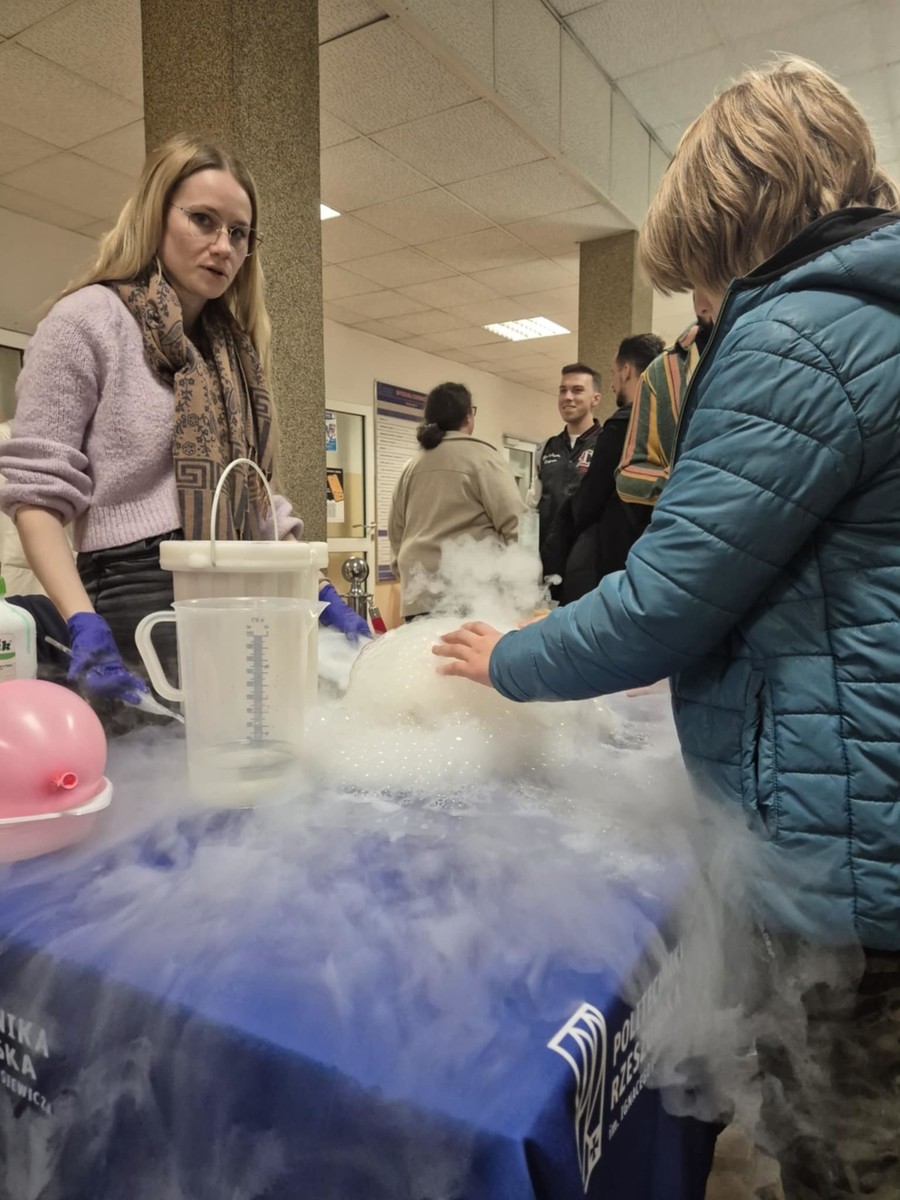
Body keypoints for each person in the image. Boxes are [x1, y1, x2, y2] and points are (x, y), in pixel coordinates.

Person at [433, 57, 900, 1198]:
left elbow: (666, 599)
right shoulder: (871, 314)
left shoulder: (801, 330)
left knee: (843, 1153)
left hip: (843, 840)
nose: (704, 313)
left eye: (702, 285)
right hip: (866, 808)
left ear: (742, 220)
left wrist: (508, 658)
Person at [0, 134, 367, 710]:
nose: (223, 246)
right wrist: (82, 623)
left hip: (239, 588)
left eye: (239, 233)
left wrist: (318, 591)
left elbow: (254, 494)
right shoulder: (87, 321)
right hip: (134, 596)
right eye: (203, 220)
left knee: (255, 755)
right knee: (159, 760)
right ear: (156, 215)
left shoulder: (232, 352)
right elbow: (37, 497)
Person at [541, 334, 664, 603]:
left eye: (612, 373)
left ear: (626, 370)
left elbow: (589, 502)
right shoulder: (667, 423)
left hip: (612, 562)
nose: (612, 383)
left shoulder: (620, 427)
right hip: (650, 558)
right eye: (563, 390)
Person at [388, 382, 525, 619]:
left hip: (418, 594)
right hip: (472, 595)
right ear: (468, 417)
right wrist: (521, 585)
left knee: (422, 645)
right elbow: (516, 524)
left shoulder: (412, 466)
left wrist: (407, 573)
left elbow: (396, 531)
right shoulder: (484, 459)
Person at [615, 320, 710, 509]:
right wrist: (687, 482)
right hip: (685, 513)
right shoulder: (663, 370)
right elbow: (627, 475)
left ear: (625, 371)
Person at [529, 364, 602, 595]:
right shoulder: (545, 449)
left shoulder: (607, 445)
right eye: (563, 390)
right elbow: (533, 506)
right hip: (547, 567)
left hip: (590, 567)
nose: (568, 397)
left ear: (595, 398)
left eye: (577, 390)